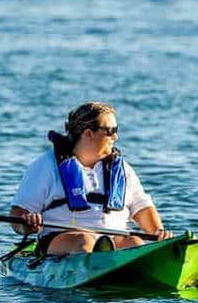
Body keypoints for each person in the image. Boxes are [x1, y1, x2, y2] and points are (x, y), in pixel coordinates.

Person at [10, 101, 173, 255]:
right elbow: (17, 215)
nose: (115, 137)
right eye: (111, 131)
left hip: (114, 240)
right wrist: (28, 224)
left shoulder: (123, 170)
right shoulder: (45, 165)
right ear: (88, 133)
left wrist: (158, 232)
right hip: (63, 241)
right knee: (84, 241)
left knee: (135, 242)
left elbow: (141, 207)